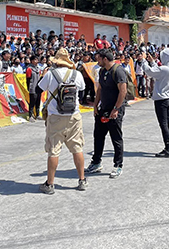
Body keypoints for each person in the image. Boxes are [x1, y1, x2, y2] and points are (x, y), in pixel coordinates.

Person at [37, 48, 87, 194]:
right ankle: (82, 180)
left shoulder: (50, 74)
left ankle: (50, 184)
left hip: (55, 116)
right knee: (77, 148)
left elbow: (37, 89)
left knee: (54, 149)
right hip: (74, 116)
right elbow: (82, 92)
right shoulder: (76, 74)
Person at [86, 49, 127, 179]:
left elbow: (123, 91)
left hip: (115, 110)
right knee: (98, 136)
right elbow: (100, 90)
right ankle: (96, 162)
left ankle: (118, 165)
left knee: (116, 138)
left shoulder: (118, 71)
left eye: (98, 58)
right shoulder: (102, 71)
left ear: (104, 59)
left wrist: (116, 109)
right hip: (103, 109)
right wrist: (95, 105)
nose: (97, 61)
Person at [144, 48, 169, 157]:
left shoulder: (164, 69)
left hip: (161, 99)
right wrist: (152, 62)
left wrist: (144, 61)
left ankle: (167, 149)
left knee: (163, 124)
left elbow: (149, 72)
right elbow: (157, 70)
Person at [26, 55, 42, 122]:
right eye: (35, 59)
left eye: (37, 59)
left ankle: (37, 114)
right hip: (32, 87)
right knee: (32, 102)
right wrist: (29, 87)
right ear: (32, 61)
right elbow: (28, 79)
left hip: (38, 87)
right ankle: (30, 115)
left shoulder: (38, 69)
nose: (37, 61)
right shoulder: (29, 69)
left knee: (38, 101)